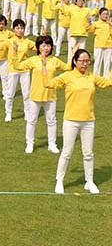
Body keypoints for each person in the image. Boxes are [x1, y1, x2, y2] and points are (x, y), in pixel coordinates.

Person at [43, 49, 112, 194]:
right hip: (71, 120)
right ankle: (59, 181)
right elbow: (49, 84)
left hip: (88, 121)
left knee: (88, 153)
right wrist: (44, 67)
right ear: (75, 61)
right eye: (82, 61)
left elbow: (108, 83)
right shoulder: (67, 76)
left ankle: (89, 181)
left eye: (87, 61)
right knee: (67, 152)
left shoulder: (91, 77)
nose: (85, 64)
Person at [13, 36, 70, 154]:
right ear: (38, 47)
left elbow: (67, 67)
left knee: (51, 121)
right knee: (31, 120)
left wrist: (73, 54)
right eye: (43, 45)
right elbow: (17, 66)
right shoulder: (33, 60)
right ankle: (30, 144)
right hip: (35, 96)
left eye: (48, 45)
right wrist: (14, 52)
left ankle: (52, 144)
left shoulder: (54, 60)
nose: (46, 48)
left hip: (50, 96)